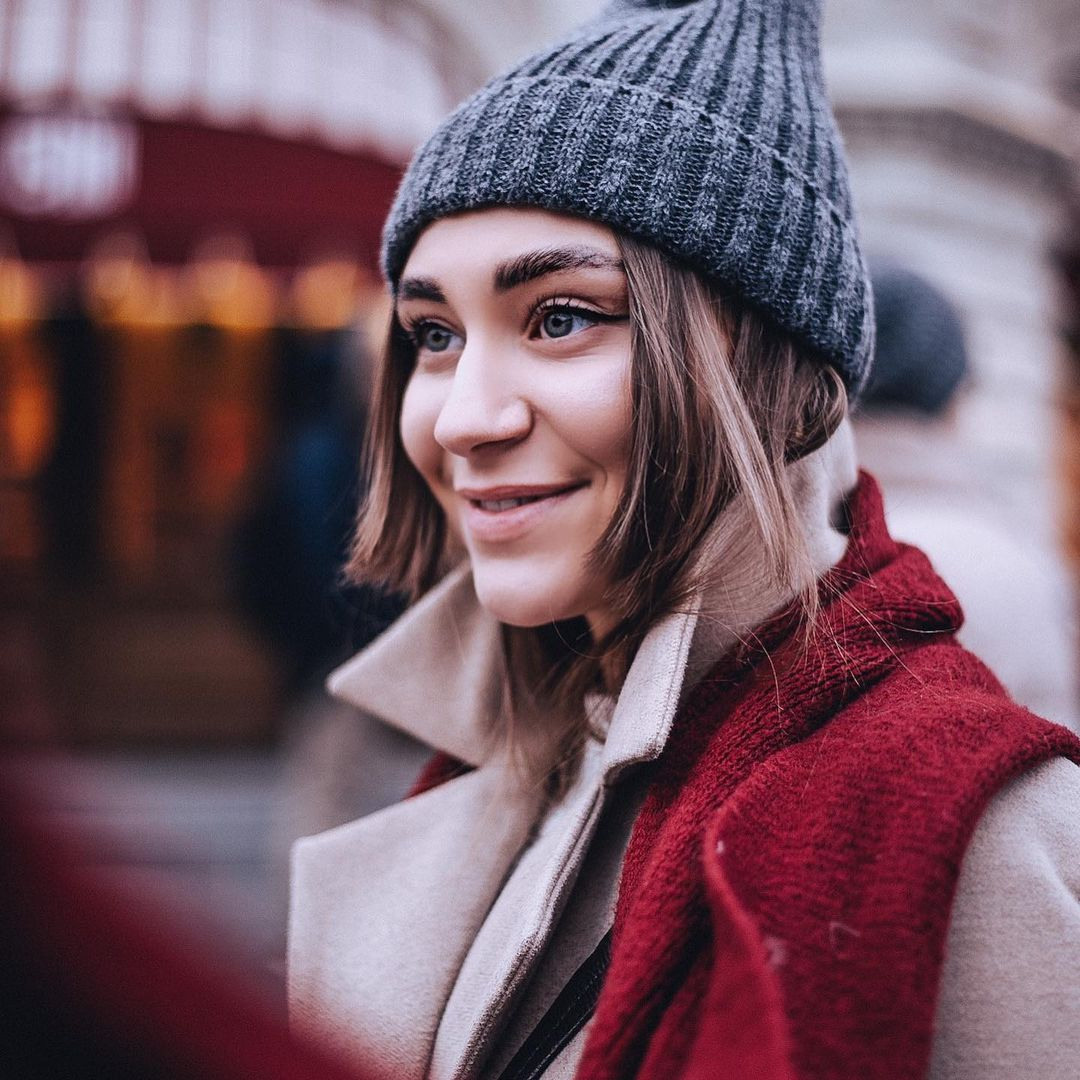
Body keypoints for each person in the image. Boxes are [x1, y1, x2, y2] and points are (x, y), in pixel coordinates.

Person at [288, 2, 1080, 1079]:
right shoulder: (512, 760)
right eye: (433, 333)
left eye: (562, 315)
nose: (464, 415)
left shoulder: (977, 832)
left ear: (771, 365)